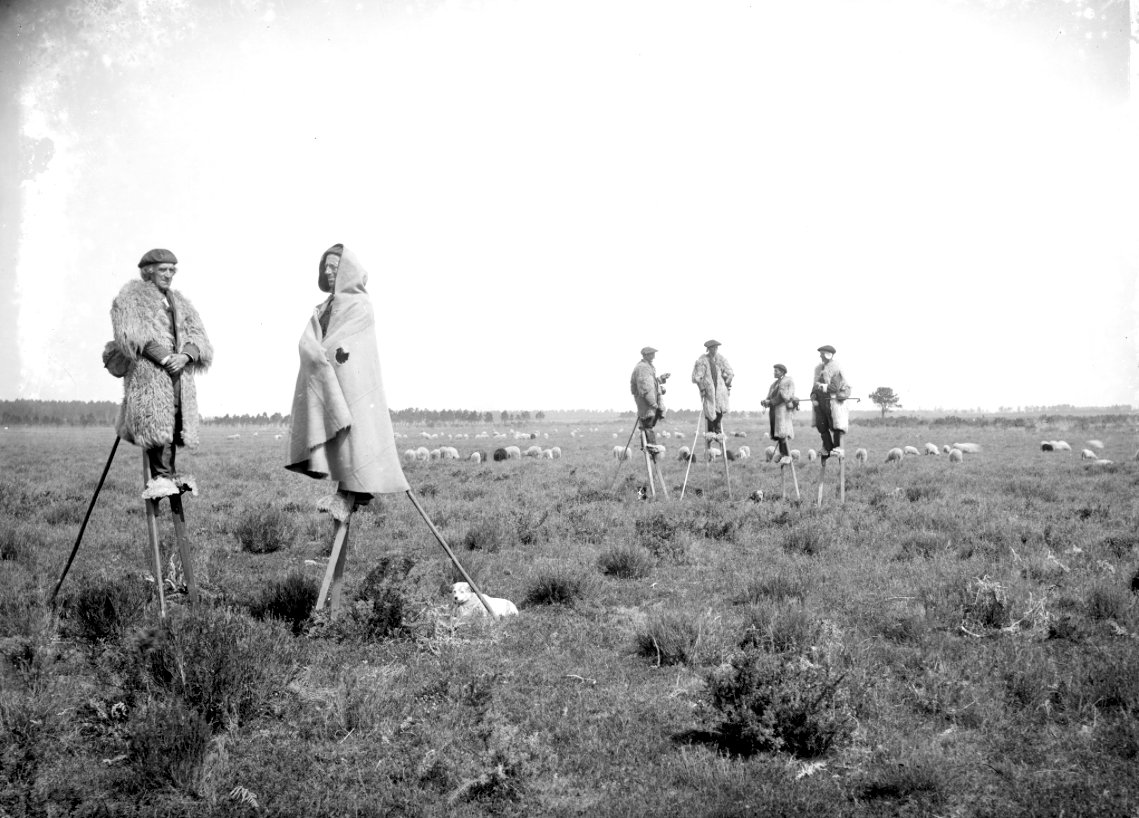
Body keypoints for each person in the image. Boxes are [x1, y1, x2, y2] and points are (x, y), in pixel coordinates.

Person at [286, 244, 409, 521]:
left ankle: (351, 492)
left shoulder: (360, 304)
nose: (329, 272)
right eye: (326, 268)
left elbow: (349, 341)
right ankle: (343, 490)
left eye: (334, 267)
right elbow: (312, 338)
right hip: (329, 378)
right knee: (338, 434)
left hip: (352, 382)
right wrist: (314, 352)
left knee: (355, 435)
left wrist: (325, 352)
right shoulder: (324, 307)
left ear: (347, 270)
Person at [108, 248, 212, 500]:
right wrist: (166, 358)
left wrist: (185, 356)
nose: (168, 275)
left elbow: (198, 335)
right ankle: (161, 476)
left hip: (178, 377)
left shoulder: (180, 302)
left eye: (171, 270)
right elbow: (133, 335)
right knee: (154, 419)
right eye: (163, 270)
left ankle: (169, 474)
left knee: (174, 421)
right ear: (148, 271)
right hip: (150, 375)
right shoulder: (131, 298)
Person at [692, 339, 733, 451]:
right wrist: (702, 388)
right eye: (712, 348)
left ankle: (718, 433)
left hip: (720, 392)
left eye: (716, 348)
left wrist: (728, 383)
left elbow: (730, 373)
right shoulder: (702, 361)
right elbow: (697, 377)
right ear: (708, 349)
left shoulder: (721, 359)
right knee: (710, 414)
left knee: (719, 412)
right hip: (709, 392)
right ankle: (709, 440)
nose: (714, 350)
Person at [811, 344, 850, 459]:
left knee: (836, 425)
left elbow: (834, 387)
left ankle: (837, 448)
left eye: (822, 354)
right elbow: (814, 387)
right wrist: (813, 395)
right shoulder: (819, 370)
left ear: (828, 355)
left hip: (833, 403)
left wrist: (821, 386)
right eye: (820, 354)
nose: (821, 356)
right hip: (821, 404)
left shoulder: (836, 370)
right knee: (822, 426)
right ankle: (827, 447)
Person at [630, 346, 668, 458]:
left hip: (648, 401)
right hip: (646, 403)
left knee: (648, 424)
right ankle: (650, 446)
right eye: (651, 353)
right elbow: (645, 387)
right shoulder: (643, 368)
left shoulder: (647, 367)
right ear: (645, 355)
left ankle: (648, 445)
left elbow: (652, 383)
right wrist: (653, 403)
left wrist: (660, 379)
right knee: (648, 425)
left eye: (653, 353)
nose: (654, 355)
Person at [761, 363, 797, 465]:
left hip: (782, 411)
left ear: (782, 372)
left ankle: (786, 454)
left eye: (776, 371)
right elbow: (771, 397)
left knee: (783, 433)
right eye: (774, 370)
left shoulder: (786, 382)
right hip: (774, 411)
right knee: (779, 433)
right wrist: (766, 401)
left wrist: (770, 402)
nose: (774, 372)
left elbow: (782, 397)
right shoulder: (774, 384)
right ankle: (782, 453)